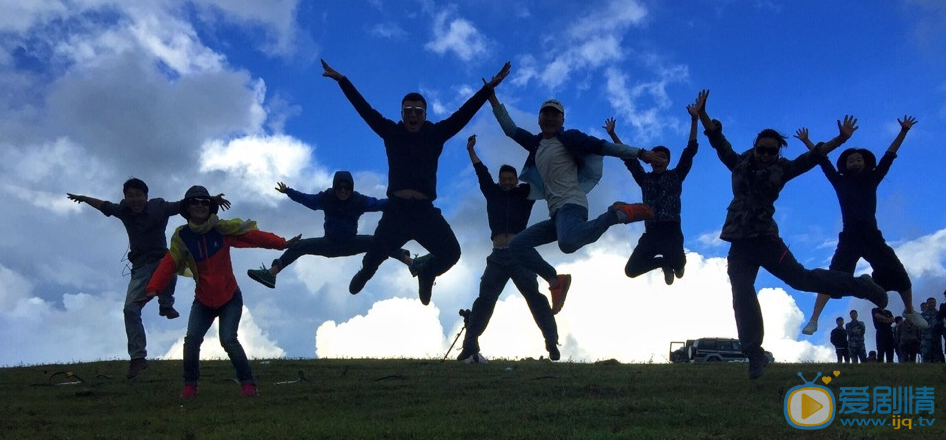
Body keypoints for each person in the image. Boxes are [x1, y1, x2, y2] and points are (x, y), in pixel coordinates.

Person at [693, 89, 887, 379]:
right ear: (755, 146)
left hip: (767, 239)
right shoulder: (739, 163)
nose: (767, 155)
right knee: (741, 294)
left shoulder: (783, 169)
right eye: (763, 149)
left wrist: (840, 140)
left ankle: (861, 285)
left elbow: (812, 157)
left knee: (801, 279)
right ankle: (754, 353)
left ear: (778, 153)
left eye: (773, 151)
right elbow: (719, 142)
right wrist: (703, 115)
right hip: (739, 242)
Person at [321, 59, 511, 305]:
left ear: (424, 115)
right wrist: (342, 81)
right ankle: (366, 272)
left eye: (417, 111)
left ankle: (427, 272)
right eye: (408, 111)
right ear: (401, 114)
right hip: (396, 211)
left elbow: (463, 114)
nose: (412, 115)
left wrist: (488, 90)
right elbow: (365, 110)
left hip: (424, 212)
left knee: (452, 253)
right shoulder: (391, 131)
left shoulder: (436, 133)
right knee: (375, 255)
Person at [487, 90, 666, 314]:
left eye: (556, 115)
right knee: (517, 245)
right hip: (557, 215)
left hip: (572, 205)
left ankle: (616, 214)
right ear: (539, 119)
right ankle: (555, 281)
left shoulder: (569, 138)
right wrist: (491, 95)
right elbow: (510, 129)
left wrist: (639, 153)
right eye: (546, 114)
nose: (550, 118)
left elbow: (603, 146)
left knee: (568, 243)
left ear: (562, 120)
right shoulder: (535, 144)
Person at [142, 186, 300, 397]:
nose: (199, 205)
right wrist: (153, 289)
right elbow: (169, 263)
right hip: (203, 301)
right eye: (194, 202)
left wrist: (281, 243)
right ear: (187, 207)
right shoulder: (182, 236)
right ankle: (190, 386)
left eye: (204, 202)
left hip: (230, 298)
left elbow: (251, 236)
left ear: (210, 208)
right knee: (192, 340)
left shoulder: (222, 230)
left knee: (228, 339)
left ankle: (248, 384)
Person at [67, 179, 230, 379]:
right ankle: (137, 357)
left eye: (138, 195)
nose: (135, 200)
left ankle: (166, 304)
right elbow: (103, 205)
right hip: (140, 267)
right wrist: (83, 198)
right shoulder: (122, 210)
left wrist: (209, 200)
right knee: (130, 309)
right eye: (130, 196)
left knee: (171, 266)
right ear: (125, 198)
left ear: (146, 196)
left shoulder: (158, 207)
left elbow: (183, 204)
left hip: (162, 259)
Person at [793, 116, 928, 335]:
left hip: (872, 236)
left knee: (899, 273)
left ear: (865, 164)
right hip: (849, 238)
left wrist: (903, 131)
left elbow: (889, 156)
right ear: (845, 166)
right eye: (851, 160)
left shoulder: (873, 178)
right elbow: (822, 160)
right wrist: (807, 142)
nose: (855, 162)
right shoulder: (839, 180)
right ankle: (814, 319)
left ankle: (910, 310)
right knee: (832, 278)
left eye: (859, 160)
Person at [455, 134, 561, 362]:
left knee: (534, 297)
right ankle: (470, 344)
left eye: (511, 179)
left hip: (520, 256)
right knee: (484, 300)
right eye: (503, 179)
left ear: (516, 180)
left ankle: (551, 342)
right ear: (499, 180)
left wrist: (541, 149)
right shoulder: (492, 192)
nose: (507, 183)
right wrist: (471, 151)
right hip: (497, 257)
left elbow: (539, 175)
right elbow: (481, 173)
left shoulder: (525, 194)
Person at [246, 172, 414, 289]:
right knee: (299, 246)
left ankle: (412, 263)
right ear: (334, 188)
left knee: (380, 242)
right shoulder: (326, 198)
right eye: (339, 188)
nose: (342, 191)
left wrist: (402, 200)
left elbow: (379, 204)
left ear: (351, 188)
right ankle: (271, 273)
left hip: (351, 243)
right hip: (329, 244)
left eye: (346, 188)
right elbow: (307, 199)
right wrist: (288, 191)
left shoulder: (359, 200)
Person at [603, 101, 699, 285]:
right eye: (654, 156)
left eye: (662, 157)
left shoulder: (676, 175)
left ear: (668, 161)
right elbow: (629, 159)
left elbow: (690, 151)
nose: (658, 160)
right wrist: (613, 134)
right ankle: (663, 263)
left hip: (671, 229)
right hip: (652, 231)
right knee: (631, 270)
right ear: (650, 160)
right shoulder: (644, 179)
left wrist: (695, 119)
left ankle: (676, 262)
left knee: (678, 268)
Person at [920, 297, 944, 362]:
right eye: (930, 302)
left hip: (936, 338)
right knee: (925, 356)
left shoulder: (939, 314)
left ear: (935, 303)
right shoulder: (922, 315)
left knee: (937, 356)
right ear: (927, 304)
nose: (931, 304)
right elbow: (919, 327)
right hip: (925, 339)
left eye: (933, 302)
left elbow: (943, 326)